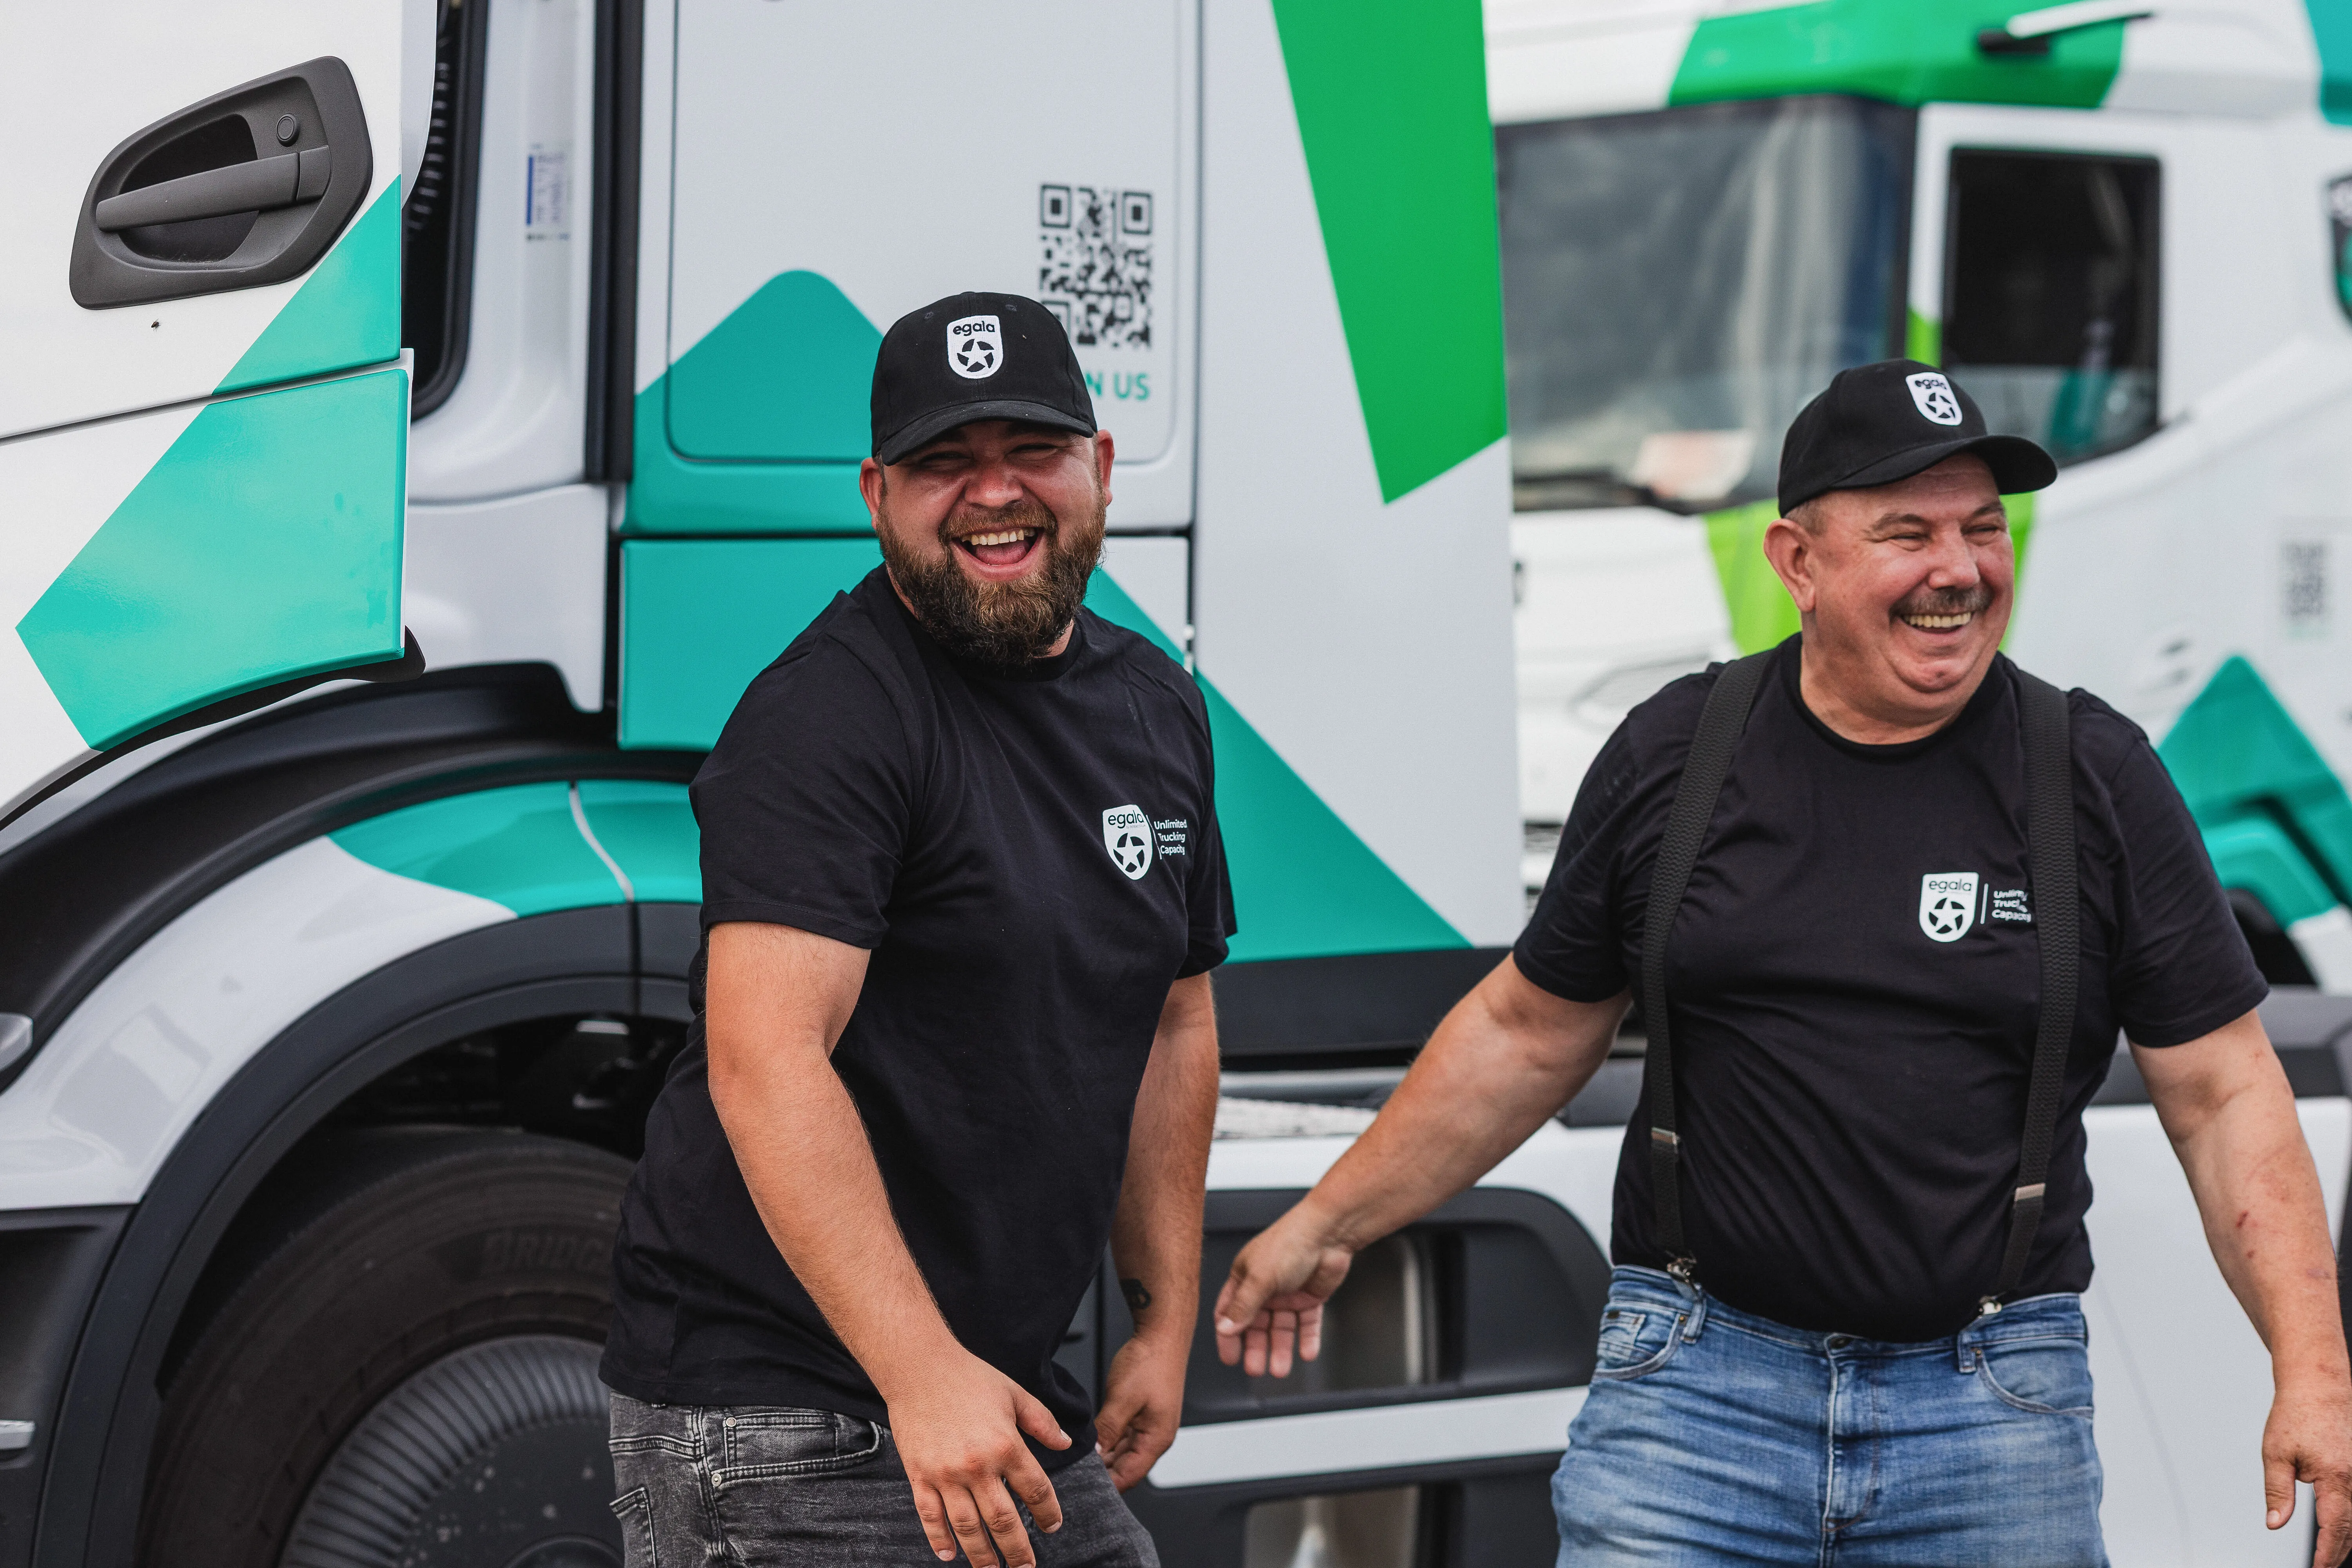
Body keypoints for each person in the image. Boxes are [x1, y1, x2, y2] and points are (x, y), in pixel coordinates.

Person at [1212, 360, 2352, 1565]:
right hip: (1695, 1397)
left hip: (1992, 1406)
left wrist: (2314, 1369)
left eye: (1981, 529)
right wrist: (1330, 1221)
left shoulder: (2093, 777)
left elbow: (2224, 1093)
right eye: (1908, 533)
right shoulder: (1676, 757)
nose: (1959, 570)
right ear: (1797, 565)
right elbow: (1526, 1033)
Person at [600, 291, 1234, 1568]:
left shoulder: (1154, 706)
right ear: (877, 495)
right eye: (947, 463)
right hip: (787, 1410)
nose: (994, 495)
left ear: (1100, 471)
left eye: (1032, 454)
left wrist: (1163, 1321)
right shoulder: (829, 717)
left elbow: (1173, 1015)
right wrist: (922, 1371)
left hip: (991, 1395)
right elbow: (765, 1060)